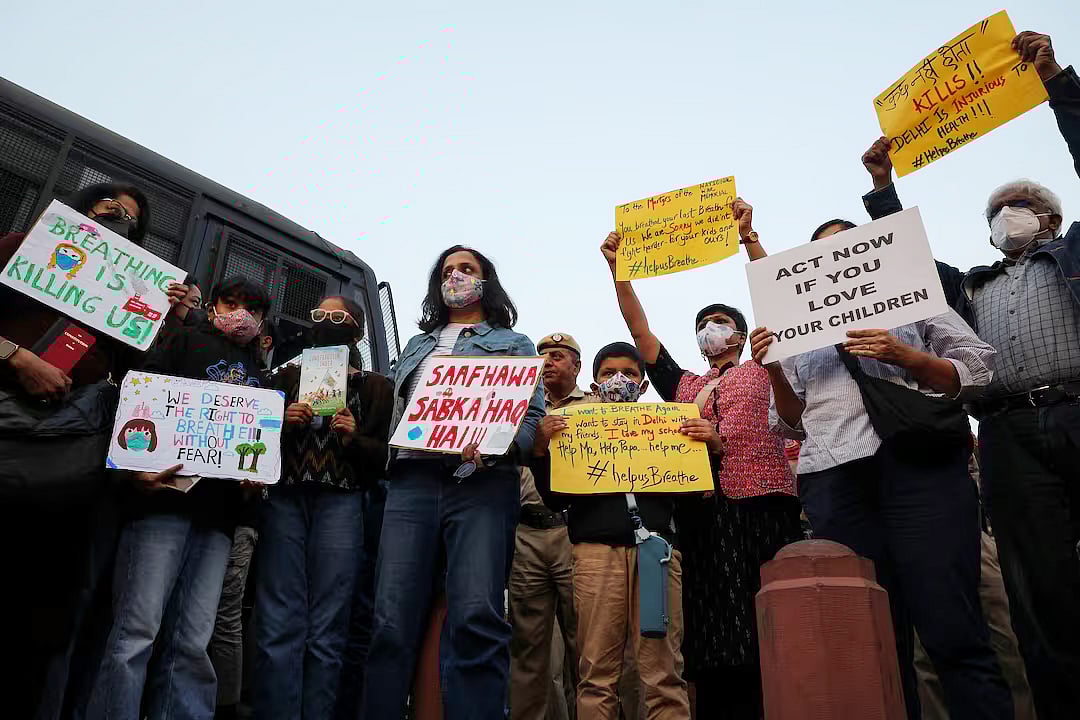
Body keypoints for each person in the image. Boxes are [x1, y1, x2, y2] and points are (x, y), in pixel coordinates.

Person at [859, 30, 1080, 720]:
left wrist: (1057, 87)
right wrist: (883, 189)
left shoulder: (1070, 257)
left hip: (1077, 410)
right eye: (996, 210)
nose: (1005, 214)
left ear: (1049, 219)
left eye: (1020, 204)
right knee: (1038, 590)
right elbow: (907, 261)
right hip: (1008, 433)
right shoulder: (972, 287)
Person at [750, 217, 1012, 720]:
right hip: (833, 479)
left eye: (848, 247)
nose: (836, 261)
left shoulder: (917, 299)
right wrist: (775, 371)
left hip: (921, 470)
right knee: (867, 637)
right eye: (822, 255)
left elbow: (976, 367)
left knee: (951, 625)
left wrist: (906, 355)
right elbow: (790, 423)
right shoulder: (793, 333)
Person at [601, 199, 802, 720]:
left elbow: (782, 298)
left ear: (739, 333)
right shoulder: (687, 385)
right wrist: (619, 273)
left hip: (763, 505)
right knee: (709, 622)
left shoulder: (765, 364)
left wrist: (748, 238)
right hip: (704, 514)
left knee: (766, 616)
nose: (708, 331)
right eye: (701, 325)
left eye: (717, 322)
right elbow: (642, 335)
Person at [0, 182, 194, 719]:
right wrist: (16, 356)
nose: (117, 219)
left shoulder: (129, 304)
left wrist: (167, 320)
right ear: (75, 214)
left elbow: (139, 385)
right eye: (107, 209)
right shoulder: (22, 248)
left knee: (41, 623)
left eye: (131, 220)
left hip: (66, 474)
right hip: (7, 442)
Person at [363, 246, 545, 719]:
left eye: (467, 269)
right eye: (447, 271)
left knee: (478, 616)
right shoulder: (416, 346)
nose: (456, 277)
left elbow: (531, 420)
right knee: (389, 621)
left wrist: (495, 444)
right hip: (410, 484)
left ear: (487, 282)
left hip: (481, 485)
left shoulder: (515, 342)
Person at [86, 276, 272, 720]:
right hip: (161, 506)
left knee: (192, 643)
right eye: (231, 302)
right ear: (213, 307)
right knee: (137, 632)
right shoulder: (181, 341)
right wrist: (135, 470)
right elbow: (139, 403)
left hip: (219, 518)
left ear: (262, 321)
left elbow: (258, 448)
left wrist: (255, 477)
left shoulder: (262, 378)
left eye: (251, 308)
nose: (239, 313)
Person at [530, 342, 711, 719]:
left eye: (629, 373)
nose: (619, 380)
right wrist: (541, 448)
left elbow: (697, 496)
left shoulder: (669, 428)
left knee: (663, 672)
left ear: (643, 386)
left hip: (656, 555)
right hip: (595, 554)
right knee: (596, 674)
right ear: (594, 386)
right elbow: (554, 498)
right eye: (608, 373)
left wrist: (710, 445)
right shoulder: (574, 429)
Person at [255, 296, 393, 720]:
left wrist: (354, 438)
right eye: (320, 316)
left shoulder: (374, 386)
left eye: (339, 317)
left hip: (343, 501)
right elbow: (252, 438)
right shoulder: (283, 376)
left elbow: (383, 459)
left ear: (358, 330)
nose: (327, 322)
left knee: (328, 626)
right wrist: (282, 421)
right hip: (286, 498)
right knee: (278, 619)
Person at [510, 332, 592, 720]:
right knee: (528, 645)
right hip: (525, 534)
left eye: (558, 356)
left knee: (587, 643)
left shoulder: (594, 408)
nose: (547, 361)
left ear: (577, 365)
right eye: (541, 355)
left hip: (574, 534)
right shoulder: (517, 408)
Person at [208, 318, 278, 720]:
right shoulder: (197, 364)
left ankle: (225, 706)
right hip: (203, 508)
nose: (239, 319)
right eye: (229, 307)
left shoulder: (269, 386)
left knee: (225, 614)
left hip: (242, 515)